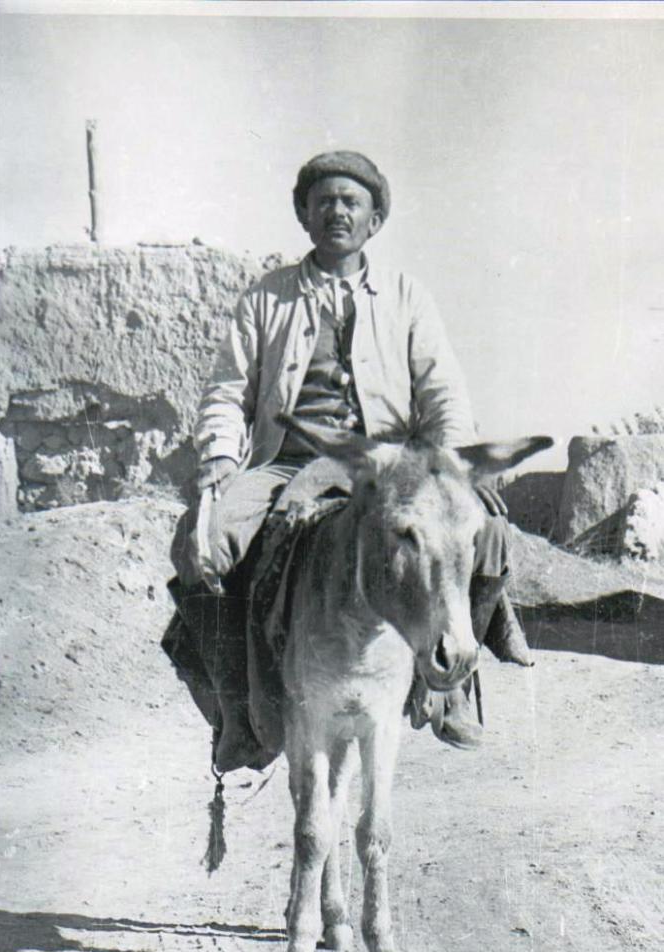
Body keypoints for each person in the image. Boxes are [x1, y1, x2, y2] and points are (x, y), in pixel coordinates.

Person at [187, 150, 532, 769]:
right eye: (324, 201)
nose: (337, 212)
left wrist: (454, 467)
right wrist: (218, 455)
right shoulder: (266, 299)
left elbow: (443, 392)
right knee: (204, 544)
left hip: (389, 468)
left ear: (375, 221)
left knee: (489, 534)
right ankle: (238, 712)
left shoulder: (405, 296)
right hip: (287, 463)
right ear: (304, 215)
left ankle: (448, 685)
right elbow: (227, 389)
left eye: (352, 202)